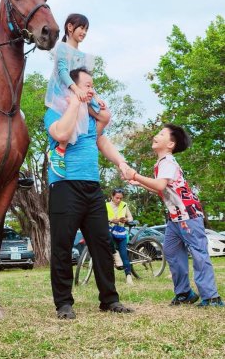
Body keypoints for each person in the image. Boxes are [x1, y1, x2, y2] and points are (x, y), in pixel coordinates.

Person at [44, 66, 134, 319]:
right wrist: (75, 101)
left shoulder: (90, 119)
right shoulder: (55, 113)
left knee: (102, 245)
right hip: (65, 187)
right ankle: (63, 303)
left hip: (92, 188)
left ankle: (109, 300)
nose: (92, 89)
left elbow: (101, 140)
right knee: (62, 246)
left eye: (92, 85)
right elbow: (61, 133)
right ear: (71, 87)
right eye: (87, 85)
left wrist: (122, 163)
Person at [122, 124, 223, 307]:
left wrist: (135, 175)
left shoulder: (168, 161)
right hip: (175, 218)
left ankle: (211, 297)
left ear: (170, 144)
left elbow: (160, 185)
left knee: (199, 254)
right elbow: (163, 190)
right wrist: (139, 184)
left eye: (161, 134)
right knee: (171, 252)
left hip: (188, 215)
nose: (156, 135)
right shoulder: (161, 164)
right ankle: (184, 293)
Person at [45, 13, 111, 179]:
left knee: (103, 114)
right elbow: (62, 72)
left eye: (86, 29)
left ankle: (89, 144)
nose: (84, 32)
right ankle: (59, 151)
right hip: (63, 94)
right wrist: (76, 90)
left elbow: (87, 81)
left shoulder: (83, 57)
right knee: (73, 115)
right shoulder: (62, 48)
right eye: (81, 28)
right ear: (70, 27)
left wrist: (96, 98)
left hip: (80, 95)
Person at [106, 189, 134, 285]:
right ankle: (115, 254)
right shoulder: (106, 205)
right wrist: (111, 220)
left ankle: (128, 276)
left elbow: (130, 218)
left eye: (121, 198)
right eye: (117, 198)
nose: (119, 200)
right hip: (109, 231)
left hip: (120, 233)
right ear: (112, 196)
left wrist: (126, 219)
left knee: (124, 255)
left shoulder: (124, 205)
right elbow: (101, 218)